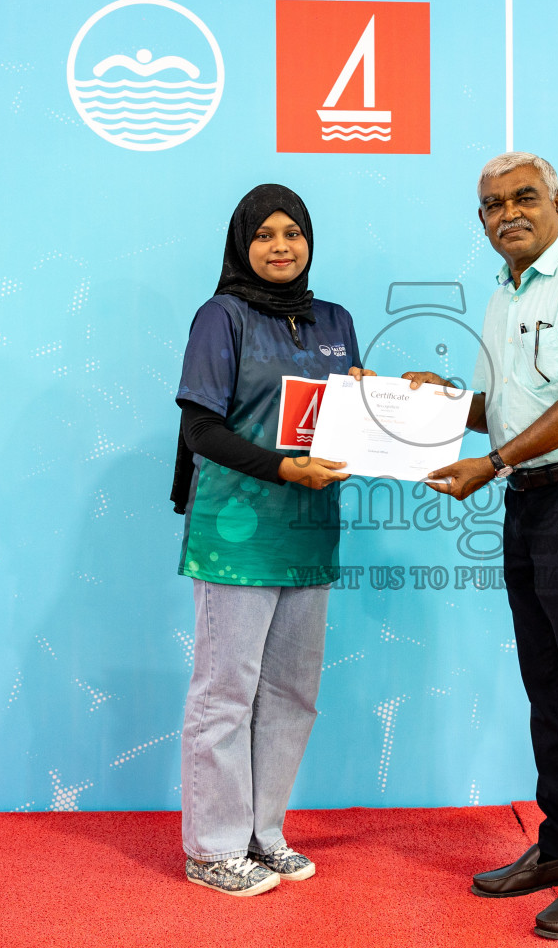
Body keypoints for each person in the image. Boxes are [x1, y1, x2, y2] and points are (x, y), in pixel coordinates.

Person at [407, 153, 558, 939]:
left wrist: (497, 460)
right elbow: (497, 412)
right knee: (548, 684)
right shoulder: (502, 299)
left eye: (523, 198)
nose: (507, 212)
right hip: (527, 501)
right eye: (491, 205)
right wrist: (426, 403)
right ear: (481, 222)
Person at [168, 183, 371, 897]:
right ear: (242, 245)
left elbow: (352, 409)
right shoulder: (220, 317)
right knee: (227, 692)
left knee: (291, 691)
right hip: (237, 529)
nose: (281, 245)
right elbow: (201, 430)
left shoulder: (336, 318)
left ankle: (263, 832)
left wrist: (395, 398)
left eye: (293, 232)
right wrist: (284, 466)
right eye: (265, 235)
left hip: (311, 528)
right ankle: (212, 847)